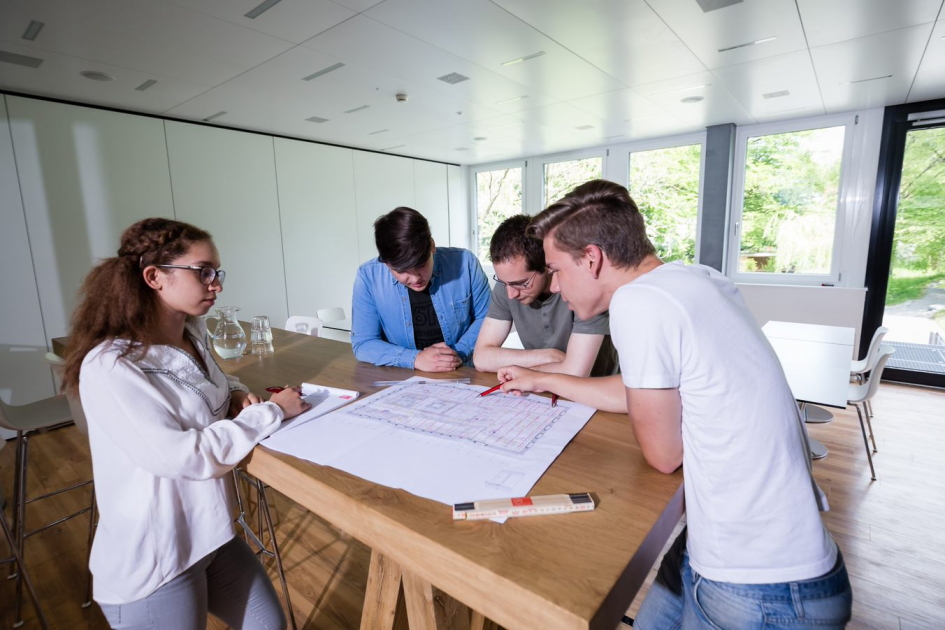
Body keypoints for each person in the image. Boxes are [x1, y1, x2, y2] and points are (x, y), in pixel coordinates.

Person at [499, 180, 852, 628]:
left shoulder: (638, 303)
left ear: (591, 258)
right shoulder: (695, 278)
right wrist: (543, 380)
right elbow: (646, 390)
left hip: (763, 587)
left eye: (555, 269)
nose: (553, 284)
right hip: (749, 549)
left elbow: (663, 455)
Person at [61, 218, 310, 630]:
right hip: (156, 556)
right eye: (203, 272)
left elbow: (210, 381)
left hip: (210, 534)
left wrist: (234, 394)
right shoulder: (112, 365)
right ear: (154, 277)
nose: (217, 285)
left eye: (217, 273)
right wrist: (271, 412)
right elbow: (183, 457)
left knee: (270, 625)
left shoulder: (192, 332)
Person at [473, 215, 618, 378]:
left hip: (598, 387)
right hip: (541, 387)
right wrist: (550, 356)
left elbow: (576, 373)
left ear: (546, 266)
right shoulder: (508, 284)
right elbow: (481, 358)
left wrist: (521, 370)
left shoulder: (584, 288)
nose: (510, 294)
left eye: (521, 283)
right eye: (503, 282)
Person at [351, 207, 490, 371]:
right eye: (402, 271)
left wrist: (456, 354)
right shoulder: (368, 276)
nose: (415, 278)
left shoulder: (466, 263)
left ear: (432, 246)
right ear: (386, 263)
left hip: (463, 371)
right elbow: (364, 343)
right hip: (404, 375)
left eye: (421, 265)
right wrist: (415, 359)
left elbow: (488, 317)